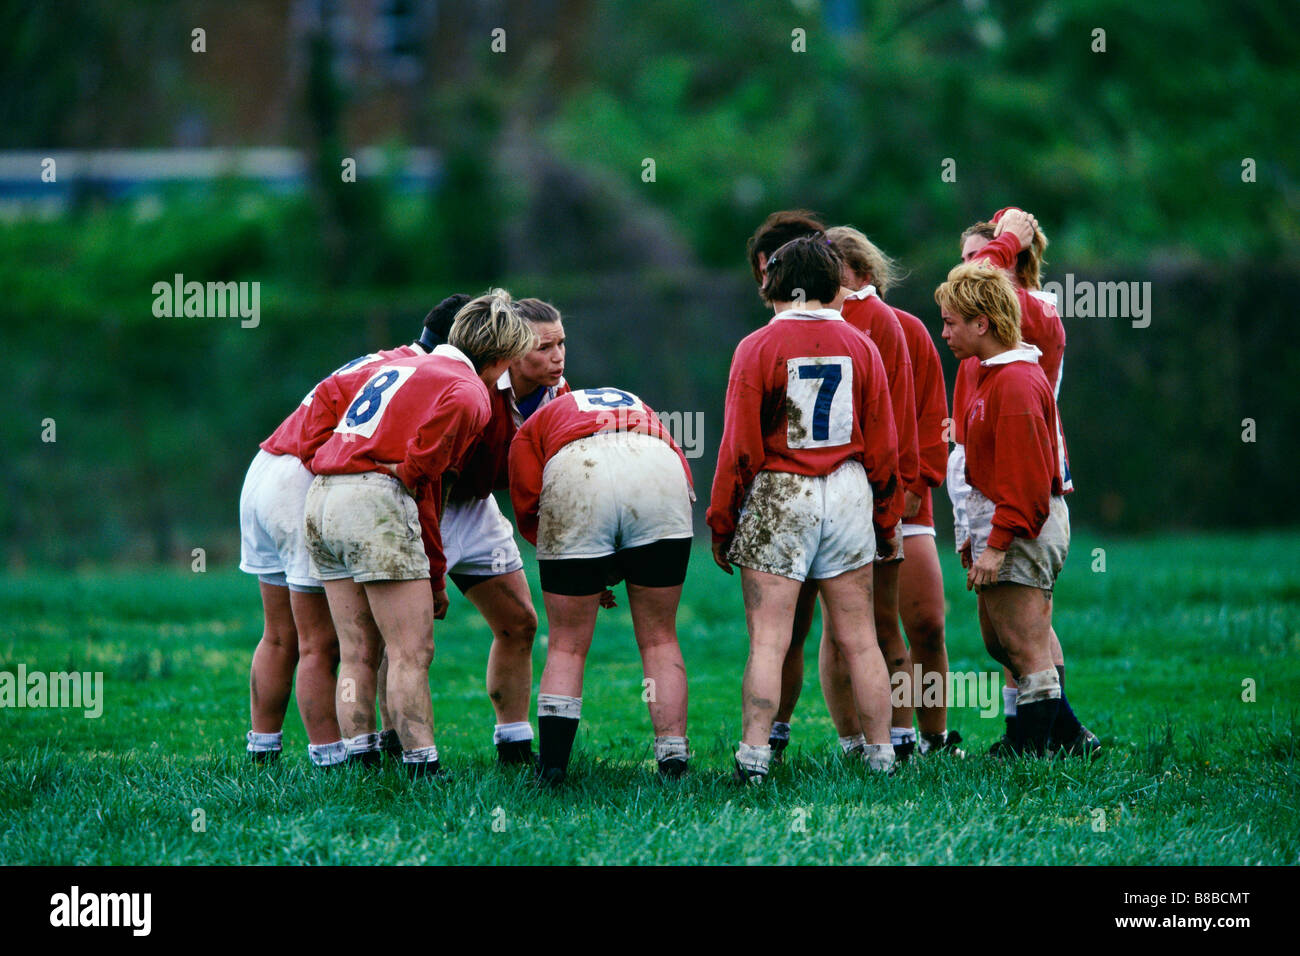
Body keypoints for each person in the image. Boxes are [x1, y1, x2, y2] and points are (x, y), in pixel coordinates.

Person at [303, 289, 535, 776]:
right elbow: (420, 479)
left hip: (322, 496)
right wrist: (433, 572)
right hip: (375, 504)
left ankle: (359, 764)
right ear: (499, 356)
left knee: (357, 651)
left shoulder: (402, 364)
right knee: (412, 650)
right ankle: (421, 765)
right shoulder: (470, 391)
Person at [709, 234, 903, 782]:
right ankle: (882, 754)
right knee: (860, 637)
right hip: (847, 489)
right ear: (834, 283)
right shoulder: (862, 346)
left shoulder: (757, 347)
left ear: (773, 280)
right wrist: (886, 521)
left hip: (781, 490)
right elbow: (884, 449)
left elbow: (739, 447)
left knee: (770, 638)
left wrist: (723, 522)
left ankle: (754, 757)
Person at [237, 307, 454, 767]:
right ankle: (333, 762)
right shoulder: (430, 376)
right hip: (302, 480)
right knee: (324, 643)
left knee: (279, 636)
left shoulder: (384, 358)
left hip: (264, 470)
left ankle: (262, 752)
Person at [951, 209, 1098, 756]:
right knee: (1010, 635)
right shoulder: (983, 349)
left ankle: (1041, 745)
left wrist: (1007, 240)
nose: (968, 269)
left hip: (1020, 495)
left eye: (977, 260)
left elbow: (1020, 481)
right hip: (994, 494)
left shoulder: (1027, 313)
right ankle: (1060, 737)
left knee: (1023, 633)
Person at [820, 225, 963, 756]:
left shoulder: (901, 327)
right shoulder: (813, 329)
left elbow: (930, 416)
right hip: (840, 495)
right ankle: (857, 739)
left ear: (865, 274)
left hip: (904, 494)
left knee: (925, 622)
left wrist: (917, 481)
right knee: (844, 628)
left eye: (841, 273)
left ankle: (934, 736)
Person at [509, 387, 695, 785]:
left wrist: (583, 571)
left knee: (566, 644)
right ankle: (673, 760)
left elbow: (527, 505)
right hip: (658, 467)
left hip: (579, 469)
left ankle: (553, 767)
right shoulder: (633, 399)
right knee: (660, 638)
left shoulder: (535, 424)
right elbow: (680, 461)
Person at [431, 296, 571, 765]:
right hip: (429, 503)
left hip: (477, 507)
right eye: (543, 347)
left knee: (519, 623)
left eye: (562, 344)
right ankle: (389, 749)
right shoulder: (475, 385)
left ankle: (513, 743)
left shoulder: (560, 393)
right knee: (402, 638)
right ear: (510, 351)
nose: (556, 357)